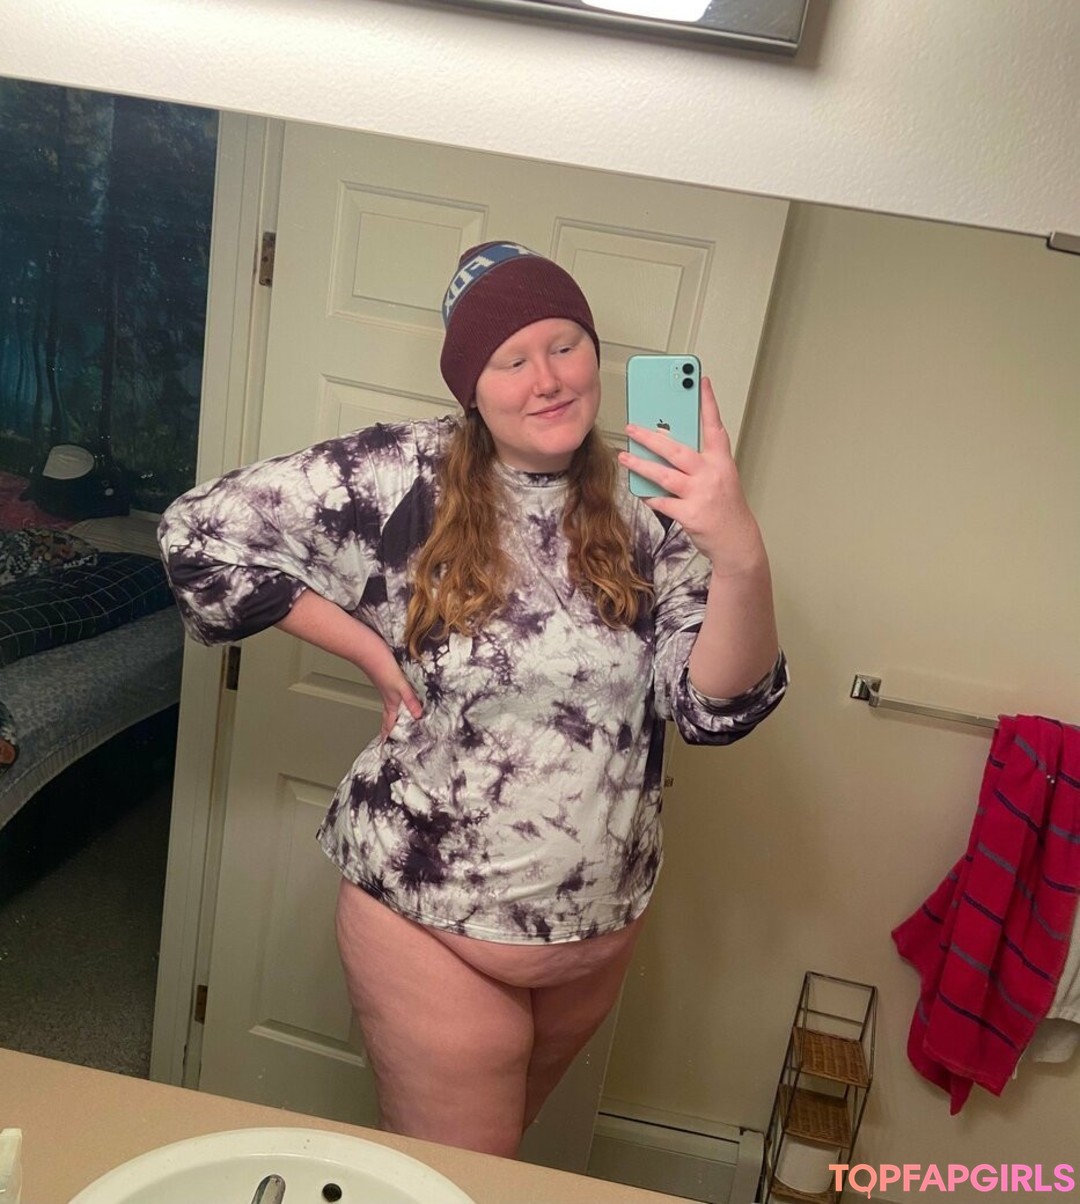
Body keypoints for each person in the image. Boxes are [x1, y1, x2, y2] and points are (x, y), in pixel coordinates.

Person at [159, 241, 787, 1158]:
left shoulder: (655, 500)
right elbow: (197, 536)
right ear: (471, 386)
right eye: (511, 359)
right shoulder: (399, 475)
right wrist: (372, 652)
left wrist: (740, 552)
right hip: (431, 919)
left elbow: (710, 708)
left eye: (565, 345)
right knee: (466, 1181)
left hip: (599, 927)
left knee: (474, 1176)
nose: (548, 379)